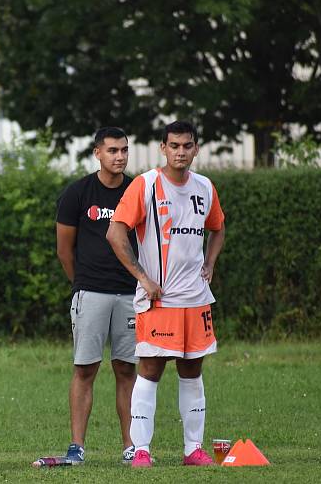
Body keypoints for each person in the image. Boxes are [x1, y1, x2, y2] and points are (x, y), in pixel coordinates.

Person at [106, 120, 225, 468]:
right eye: (174, 145)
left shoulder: (205, 187)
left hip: (196, 298)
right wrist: (142, 277)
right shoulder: (145, 185)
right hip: (160, 300)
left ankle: (193, 450)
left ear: (196, 148)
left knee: (192, 371)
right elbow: (115, 233)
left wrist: (211, 262)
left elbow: (218, 228)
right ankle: (141, 450)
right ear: (163, 148)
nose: (181, 152)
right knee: (150, 370)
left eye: (187, 145)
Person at [55, 127, 138, 464]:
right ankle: (77, 448)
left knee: (127, 371)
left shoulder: (138, 191)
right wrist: (83, 286)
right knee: (85, 370)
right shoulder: (77, 193)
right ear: (97, 153)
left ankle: (132, 447)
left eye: (124, 150)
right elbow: (64, 250)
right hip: (90, 294)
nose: (119, 157)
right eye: (112, 151)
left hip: (131, 295)